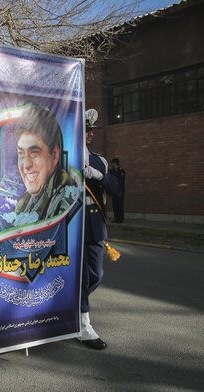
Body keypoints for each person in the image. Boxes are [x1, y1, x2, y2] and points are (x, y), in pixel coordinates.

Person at [80, 108, 119, 350]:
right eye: (86, 130)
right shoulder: (63, 156)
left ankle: (76, 309)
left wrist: (97, 175)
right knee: (80, 276)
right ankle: (84, 325)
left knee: (96, 274)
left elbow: (115, 188)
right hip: (71, 222)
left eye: (92, 130)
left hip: (94, 220)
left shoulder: (99, 161)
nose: (91, 134)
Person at [13, 104, 75, 220]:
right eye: (21, 154)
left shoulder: (66, 197)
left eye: (34, 153)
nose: (26, 165)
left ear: (55, 155)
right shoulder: (26, 200)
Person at [108, 158, 126, 223]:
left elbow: (121, 182)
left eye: (112, 163)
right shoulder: (112, 171)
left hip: (119, 191)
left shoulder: (121, 171)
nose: (111, 164)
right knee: (115, 205)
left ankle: (120, 219)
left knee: (119, 205)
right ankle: (116, 218)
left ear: (115, 163)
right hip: (114, 191)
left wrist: (120, 191)